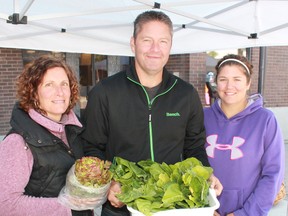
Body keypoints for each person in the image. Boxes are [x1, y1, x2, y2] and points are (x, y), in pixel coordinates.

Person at [81, 10, 222, 216]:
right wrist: (110, 182)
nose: (155, 49)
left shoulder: (186, 94)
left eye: (163, 41)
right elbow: (91, 147)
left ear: (170, 46)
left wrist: (206, 175)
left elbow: (194, 147)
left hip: (173, 205)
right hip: (121, 207)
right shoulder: (105, 92)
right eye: (147, 40)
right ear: (133, 43)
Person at [0, 56, 93, 216]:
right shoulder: (17, 142)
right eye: (49, 85)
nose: (60, 92)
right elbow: (6, 205)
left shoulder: (74, 129)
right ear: (33, 92)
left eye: (64, 84)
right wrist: (66, 206)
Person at [204, 54, 285, 216]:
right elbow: (191, 163)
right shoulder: (202, 117)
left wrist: (245, 213)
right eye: (223, 79)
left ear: (248, 83)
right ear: (216, 82)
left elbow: (273, 174)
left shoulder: (265, 120)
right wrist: (205, 208)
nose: (229, 86)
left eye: (237, 79)